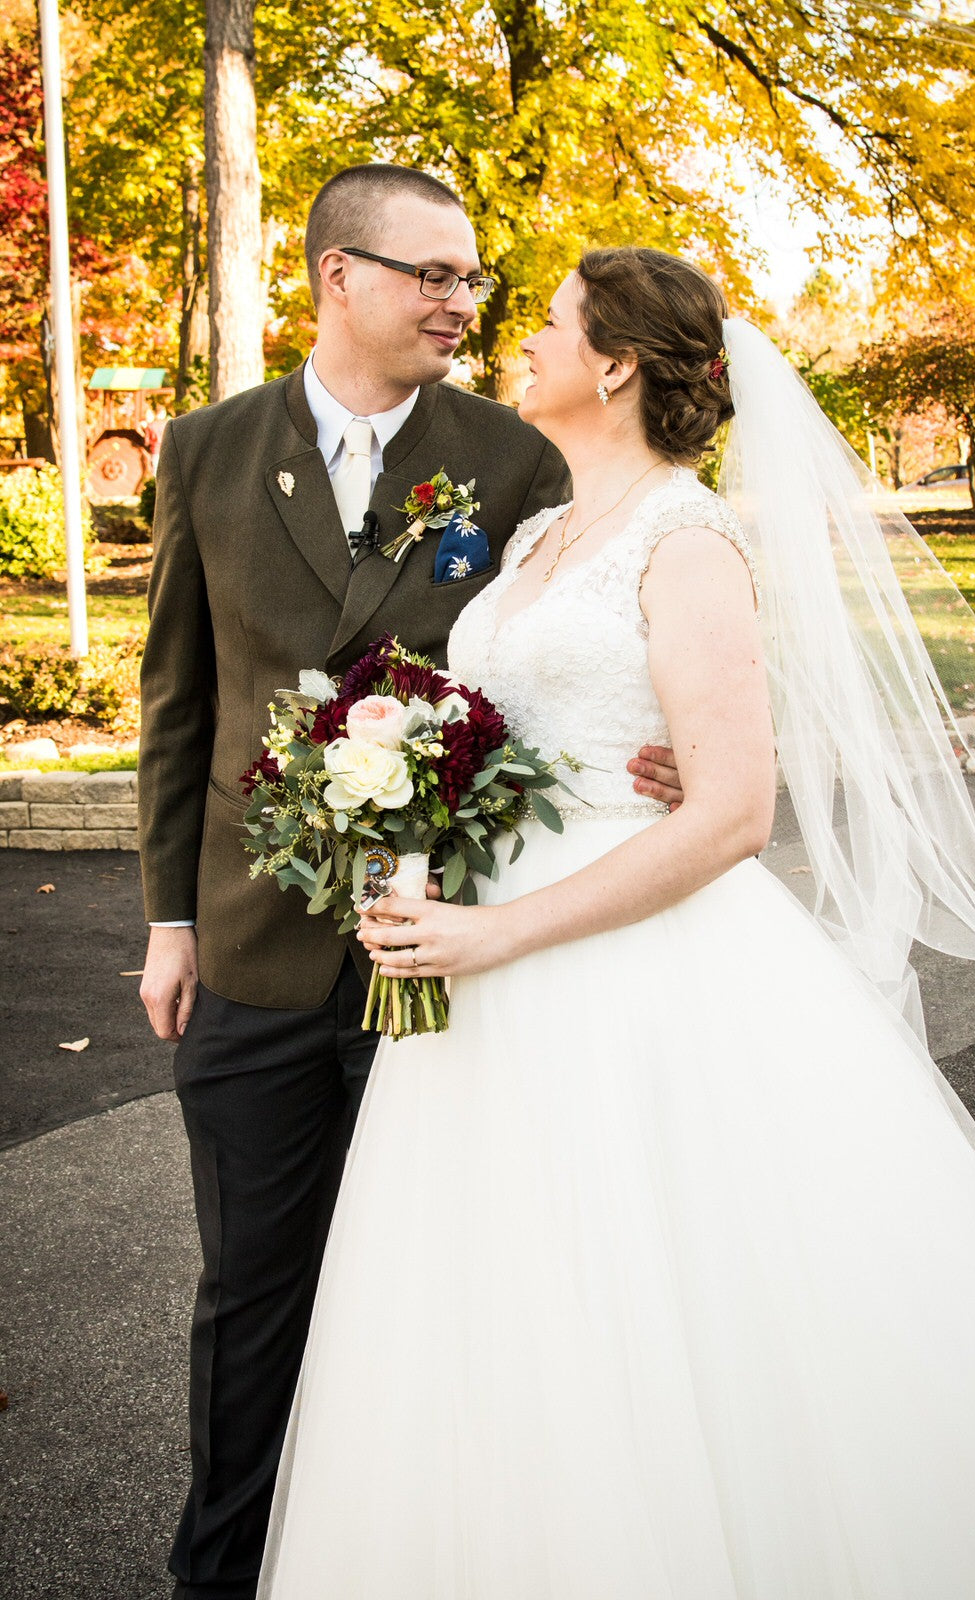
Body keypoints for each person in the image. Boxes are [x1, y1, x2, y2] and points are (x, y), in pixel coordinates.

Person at [257, 248, 975, 1599]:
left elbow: (733, 814)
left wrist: (501, 937)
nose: (520, 346)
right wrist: (413, 826)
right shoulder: (535, 534)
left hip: (624, 970)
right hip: (482, 976)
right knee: (496, 1319)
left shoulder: (686, 537)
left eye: (552, 329)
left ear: (617, 362)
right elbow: (525, 733)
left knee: (651, 1310)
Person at [137, 169, 684, 1600]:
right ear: (336, 275)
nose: (462, 303)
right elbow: (178, 705)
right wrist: (169, 920)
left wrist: (667, 745)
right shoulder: (206, 448)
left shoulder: (518, 456)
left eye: (474, 282)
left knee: (438, 1298)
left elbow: (630, 603)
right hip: (252, 955)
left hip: (453, 967)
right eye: (433, 275)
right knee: (252, 1297)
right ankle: (226, 1573)